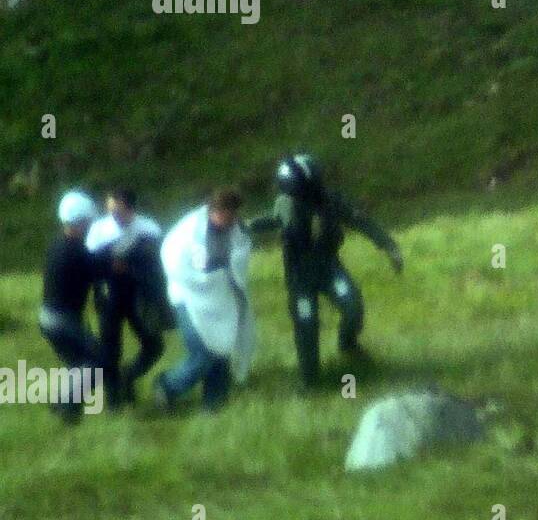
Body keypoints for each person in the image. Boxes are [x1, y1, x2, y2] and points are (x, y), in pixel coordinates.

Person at [248, 154, 402, 386]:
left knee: (352, 304)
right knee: (306, 322)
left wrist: (389, 246)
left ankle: (347, 343)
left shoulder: (331, 201)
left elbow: (360, 220)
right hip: (300, 277)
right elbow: (273, 221)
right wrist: (247, 226)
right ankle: (309, 379)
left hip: (329, 268)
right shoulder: (285, 204)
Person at [155, 188, 256, 412]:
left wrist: (222, 277)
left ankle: (214, 401)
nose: (229, 221)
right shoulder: (189, 230)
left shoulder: (237, 230)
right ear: (213, 210)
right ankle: (168, 385)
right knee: (203, 352)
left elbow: (239, 257)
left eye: (233, 216)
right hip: (188, 296)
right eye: (225, 215)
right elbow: (173, 261)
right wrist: (205, 278)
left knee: (221, 347)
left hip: (219, 298)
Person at [86, 188, 167, 406]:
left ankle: (128, 375)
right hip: (109, 295)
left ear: (130, 208)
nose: (113, 215)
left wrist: (131, 265)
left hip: (138, 295)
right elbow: (90, 265)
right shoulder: (99, 230)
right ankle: (114, 402)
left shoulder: (148, 228)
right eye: (110, 210)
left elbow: (157, 263)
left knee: (154, 344)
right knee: (110, 349)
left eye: (118, 211)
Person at [40, 191, 110, 423]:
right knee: (97, 361)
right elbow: (99, 270)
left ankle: (63, 405)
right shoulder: (76, 251)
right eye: (88, 222)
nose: (91, 226)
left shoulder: (57, 245)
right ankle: (66, 407)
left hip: (47, 317)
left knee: (78, 363)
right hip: (62, 320)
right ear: (80, 222)